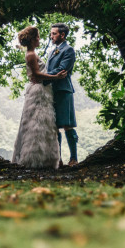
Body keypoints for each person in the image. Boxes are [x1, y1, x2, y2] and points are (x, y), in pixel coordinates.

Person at [12, 26, 67, 169]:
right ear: (32, 39)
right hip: (38, 91)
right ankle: (32, 159)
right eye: (37, 37)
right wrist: (55, 76)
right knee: (35, 124)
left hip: (43, 90)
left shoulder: (33, 53)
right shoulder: (30, 54)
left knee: (44, 124)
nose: (39, 39)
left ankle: (45, 159)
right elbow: (36, 74)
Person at [43, 23, 79, 167]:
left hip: (64, 91)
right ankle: (58, 159)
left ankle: (74, 159)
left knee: (67, 125)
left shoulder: (68, 50)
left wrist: (42, 77)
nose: (51, 36)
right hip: (51, 91)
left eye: (54, 34)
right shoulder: (52, 51)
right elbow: (53, 71)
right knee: (55, 126)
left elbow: (61, 70)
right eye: (51, 33)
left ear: (62, 35)